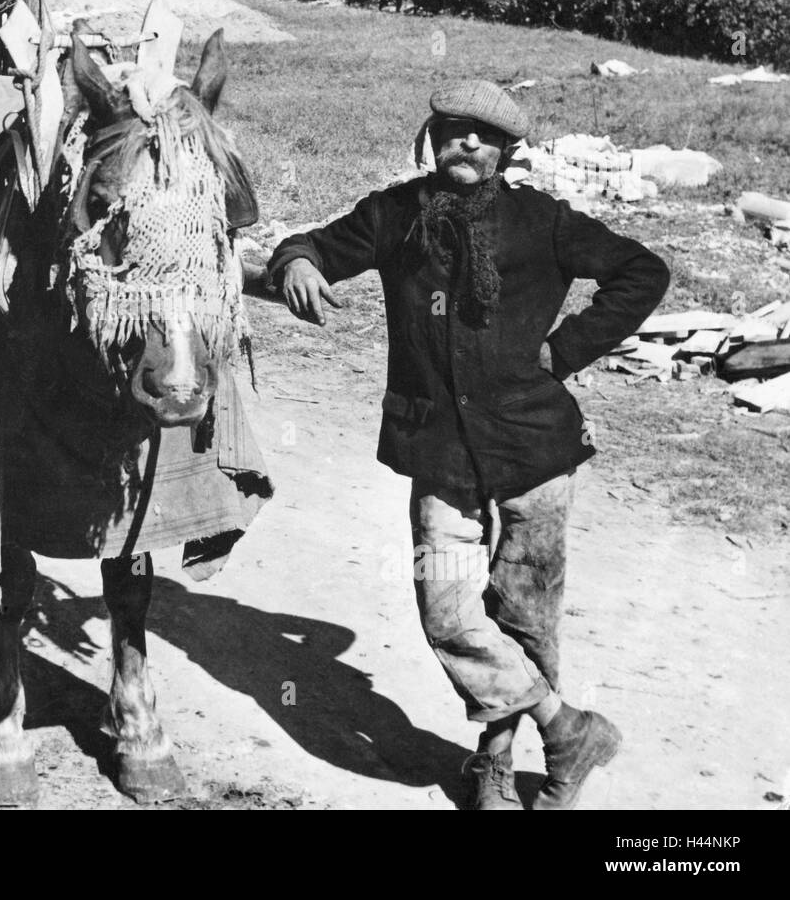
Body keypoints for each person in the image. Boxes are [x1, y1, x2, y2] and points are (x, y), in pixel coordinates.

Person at [268, 80, 670, 809]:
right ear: (434, 136)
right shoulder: (396, 214)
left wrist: (565, 349)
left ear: (507, 152)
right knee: (449, 611)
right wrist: (296, 263)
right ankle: (567, 726)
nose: (468, 143)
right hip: (439, 452)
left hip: (535, 448)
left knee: (525, 614)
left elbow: (642, 270)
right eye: (454, 129)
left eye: (485, 136)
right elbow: (313, 246)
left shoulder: (541, 222)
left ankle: (496, 764)